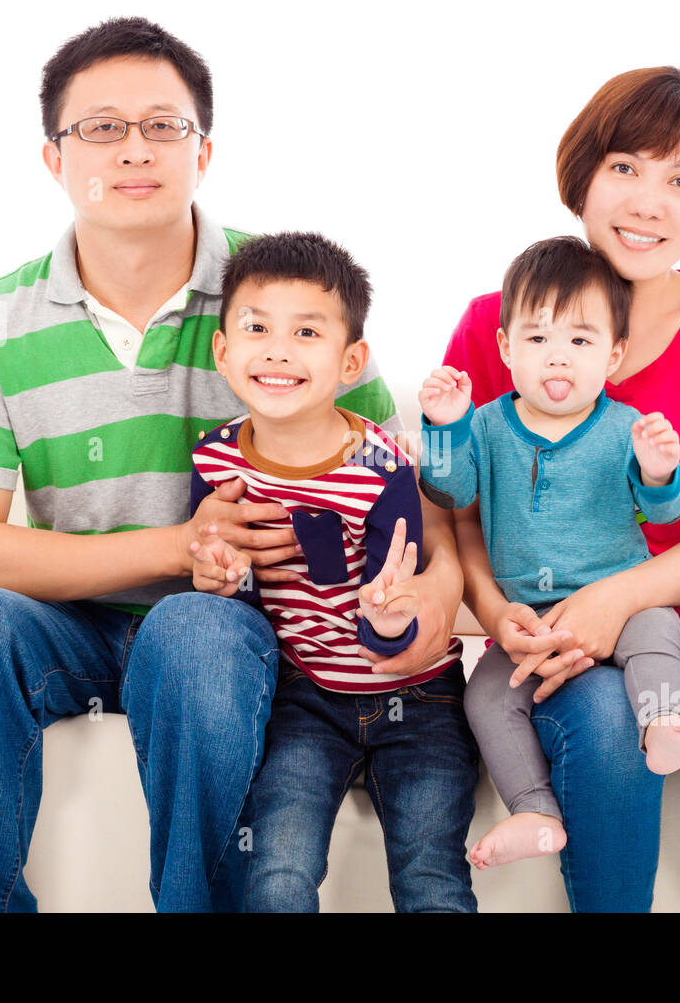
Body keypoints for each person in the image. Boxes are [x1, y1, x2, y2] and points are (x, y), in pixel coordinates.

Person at [0, 17, 463, 912]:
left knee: (194, 632)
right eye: (101, 128)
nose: (135, 151)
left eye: (164, 126)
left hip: (228, 628)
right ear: (54, 158)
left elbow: (406, 488)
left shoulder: (283, 296)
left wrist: (440, 590)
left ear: (204, 150)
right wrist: (173, 545)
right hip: (68, 626)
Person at [442, 66, 680, 911]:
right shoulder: (500, 323)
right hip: (549, 623)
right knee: (604, 720)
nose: (649, 201)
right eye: (626, 167)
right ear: (584, 174)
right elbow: (453, 506)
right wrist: (498, 615)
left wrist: (618, 601)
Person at [188, 231, 478, 912]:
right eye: (257, 329)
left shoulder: (380, 467)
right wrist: (219, 572)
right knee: (278, 875)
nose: (279, 350)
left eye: (307, 333)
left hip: (418, 699)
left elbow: (397, 589)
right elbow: (218, 580)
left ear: (351, 361)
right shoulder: (215, 460)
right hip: (304, 701)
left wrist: (386, 622)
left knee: (432, 877)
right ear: (224, 353)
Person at [419, 235, 680, 871]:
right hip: (529, 621)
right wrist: (444, 427)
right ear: (505, 348)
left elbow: (670, 513)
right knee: (486, 699)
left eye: (580, 342)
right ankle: (534, 809)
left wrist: (661, 471)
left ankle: (664, 721)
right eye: (537, 340)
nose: (558, 359)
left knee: (658, 628)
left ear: (613, 356)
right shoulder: (486, 425)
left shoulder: (625, 427)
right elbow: (449, 491)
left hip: (619, 599)